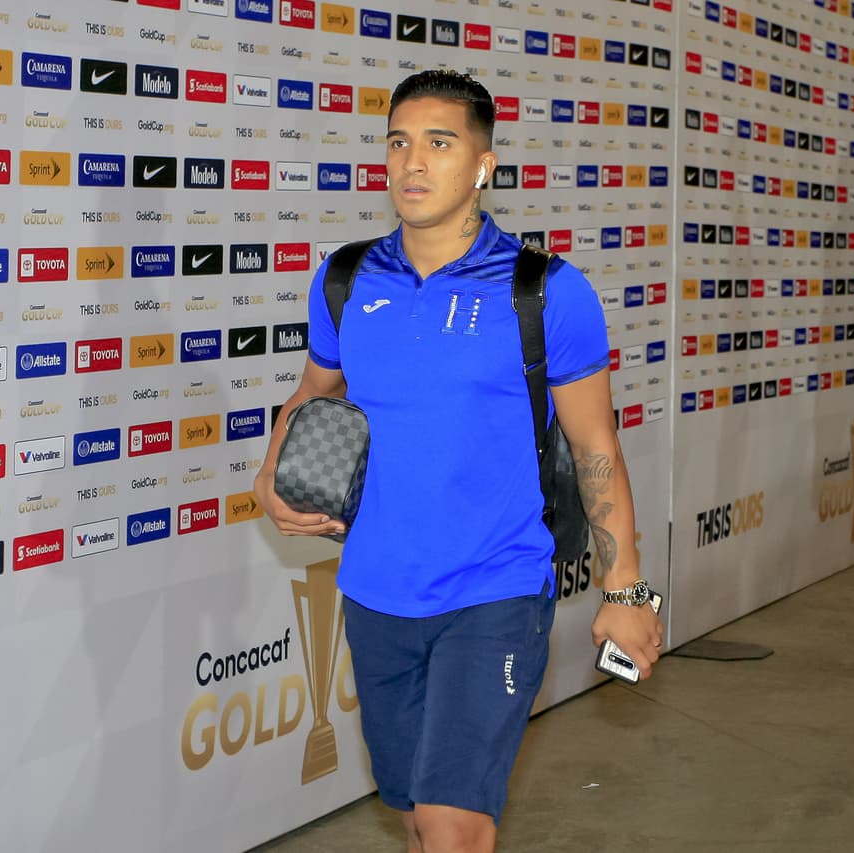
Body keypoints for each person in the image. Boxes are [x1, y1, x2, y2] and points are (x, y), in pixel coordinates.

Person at [252, 69, 663, 851]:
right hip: (375, 592)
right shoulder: (346, 280)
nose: (413, 162)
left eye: (439, 144)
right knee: (415, 809)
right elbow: (311, 390)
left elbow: (595, 447)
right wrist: (271, 471)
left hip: (495, 591)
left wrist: (626, 586)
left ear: (483, 165)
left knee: (453, 822)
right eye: (399, 143)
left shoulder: (544, 291)